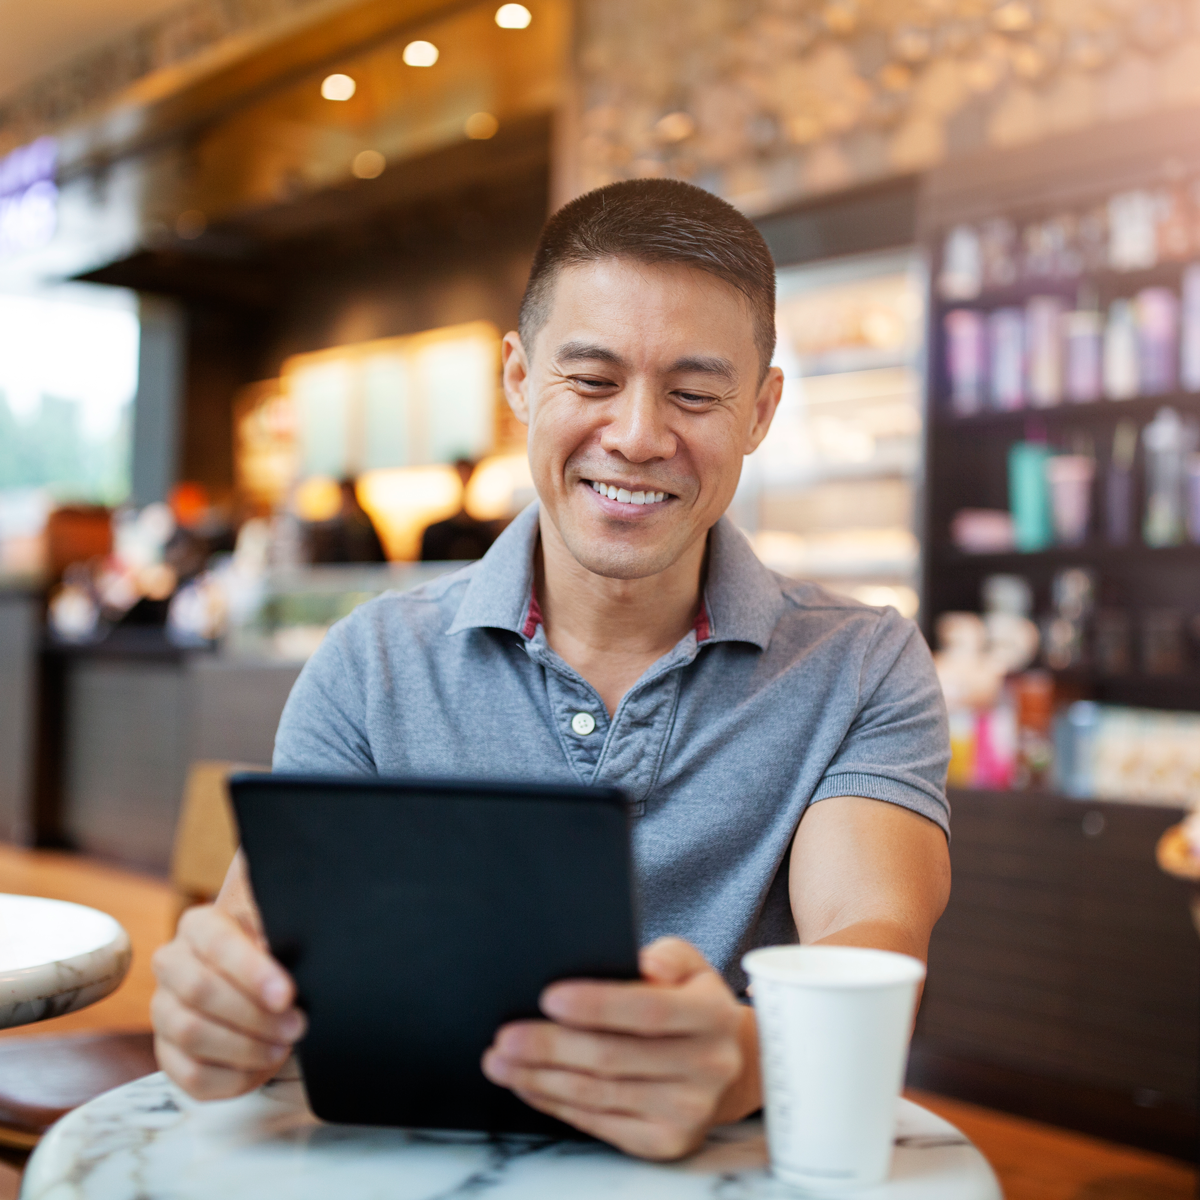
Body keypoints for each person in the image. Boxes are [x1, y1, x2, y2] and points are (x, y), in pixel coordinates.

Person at [151, 179, 951, 1162]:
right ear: (521, 379)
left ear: (761, 409)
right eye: (593, 379)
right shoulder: (373, 660)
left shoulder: (862, 663)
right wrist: (221, 1017)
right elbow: (257, 941)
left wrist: (743, 1059)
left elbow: (870, 929)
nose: (639, 435)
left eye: (695, 393)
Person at [419, 459, 498, 561]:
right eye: (460, 476)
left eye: (467, 476)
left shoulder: (485, 533)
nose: (463, 482)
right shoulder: (434, 533)